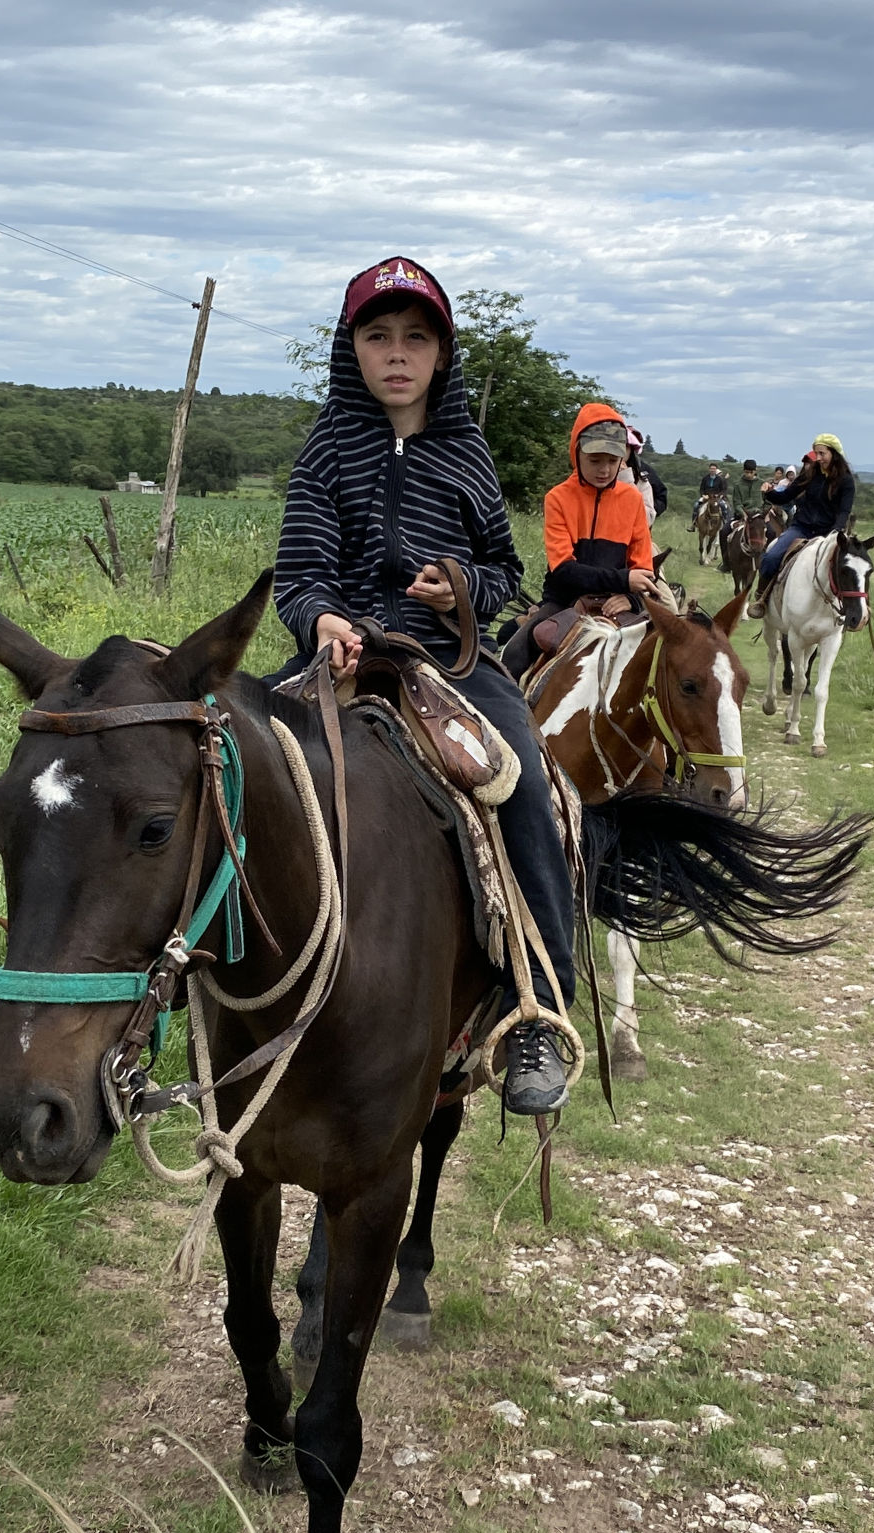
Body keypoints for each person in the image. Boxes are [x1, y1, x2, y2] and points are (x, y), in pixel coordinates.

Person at [275, 255, 577, 1116]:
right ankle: (190, 996)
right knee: (228, 760)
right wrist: (322, 620)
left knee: (524, 782)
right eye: (379, 336)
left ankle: (535, 1013)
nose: (397, 353)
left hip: (450, 660)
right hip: (342, 653)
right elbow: (299, 575)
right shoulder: (329, 445)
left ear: (441, 353)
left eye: (416, 337)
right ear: (354, 349)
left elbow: (503, 568)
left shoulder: (466, 450)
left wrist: (461, 588)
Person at [498, 402, 659, 679]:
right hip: (564, 600)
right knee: (514, 655)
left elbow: (642, 566)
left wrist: (630, 596)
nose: (604, 470)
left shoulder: (633, 500)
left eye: (612, 461)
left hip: (617, 600)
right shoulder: (558, 498)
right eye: (595, 460)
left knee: (665, 658)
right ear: (576, 453)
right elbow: (563, 570)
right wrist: (624, 581)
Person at [748, 432, 855, 618]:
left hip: (827, 533)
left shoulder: (846, 481)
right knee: (771, 557)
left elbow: (844, 512)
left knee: (849, 567)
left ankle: (850, 610)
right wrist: (769, 492)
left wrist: (835, 533)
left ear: (834, 454)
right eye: (817, 454)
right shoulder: (810, 474)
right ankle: (761, 599)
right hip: (801, 528)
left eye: (822, 454)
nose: (818, 458)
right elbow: (786, 496)